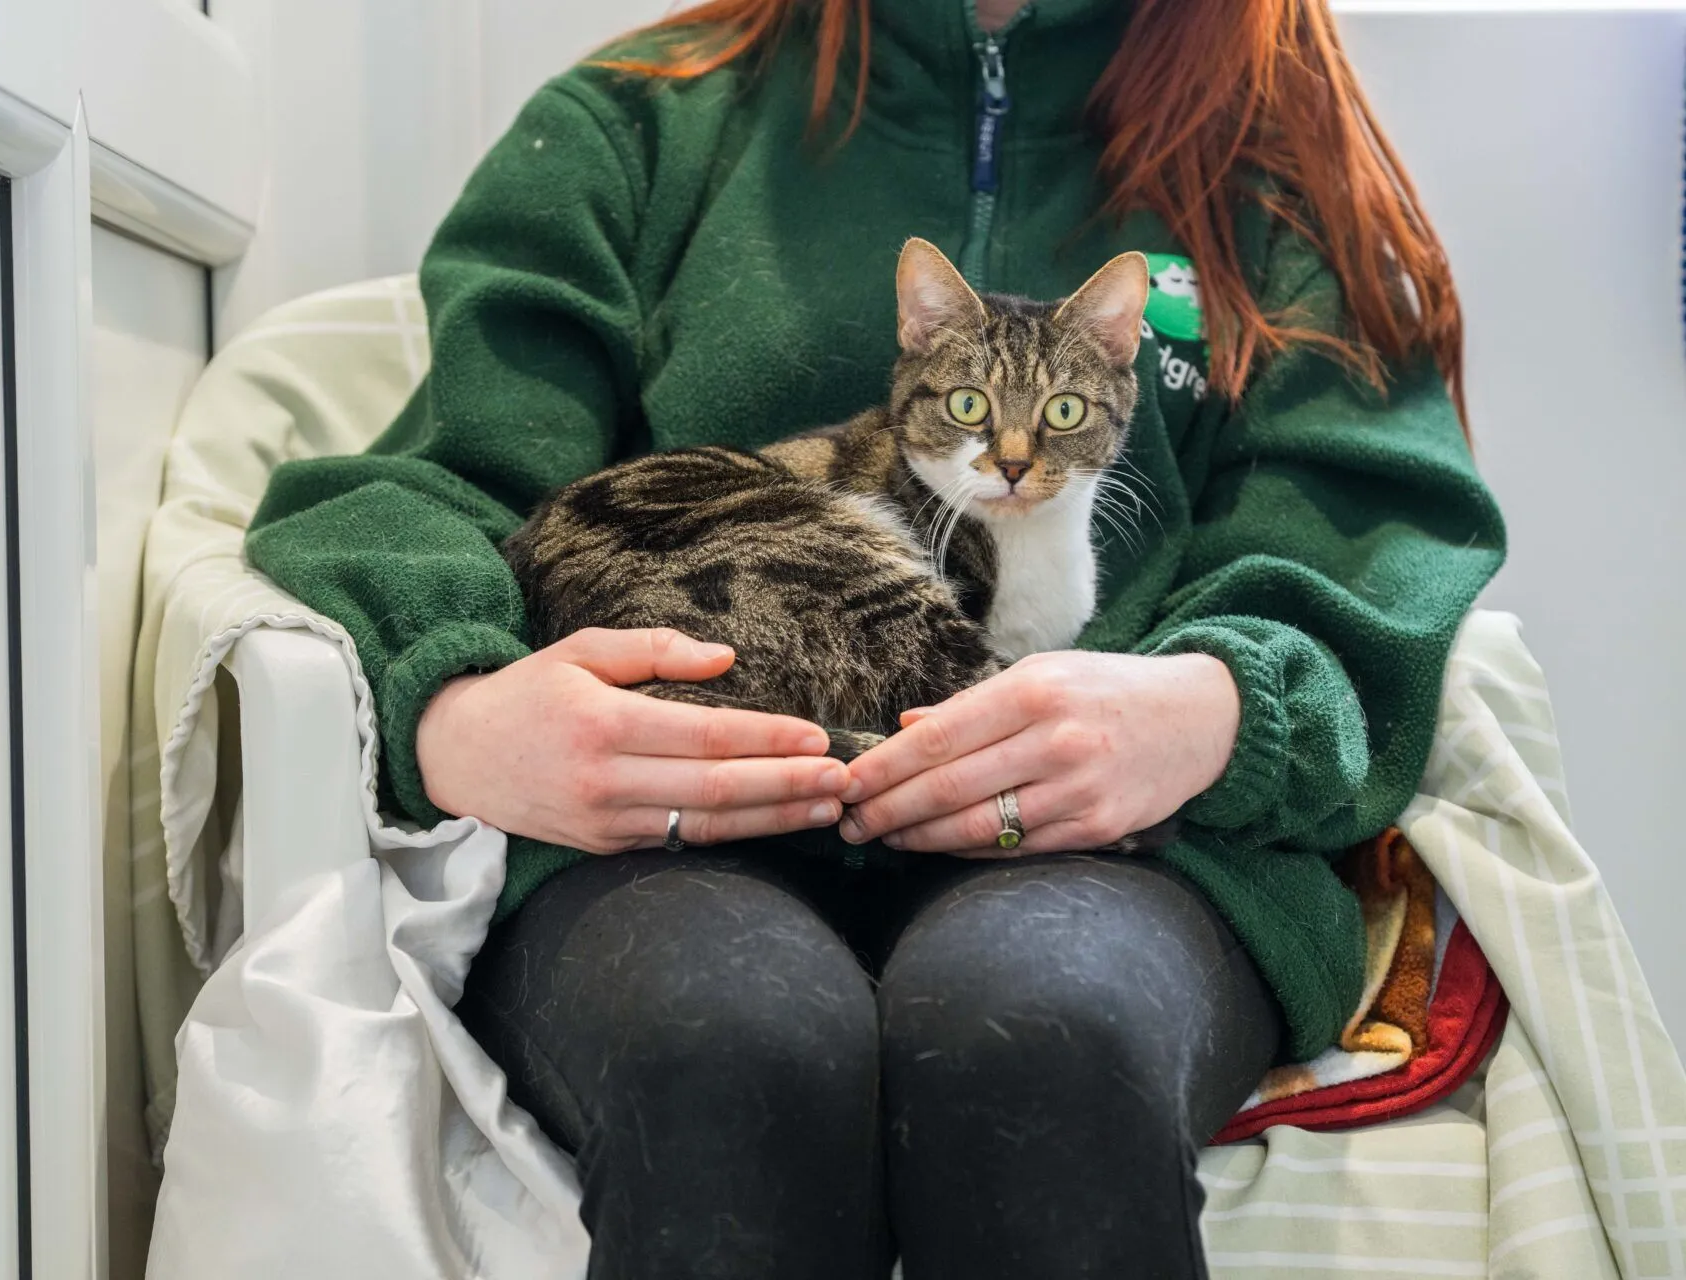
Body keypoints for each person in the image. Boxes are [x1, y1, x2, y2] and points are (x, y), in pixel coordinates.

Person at [245, 0, 1506, 1273]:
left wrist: (1222, 705)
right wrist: (456, 705)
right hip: (671, 812)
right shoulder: (638, 117)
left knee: (1041, 1037)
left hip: (1124, 836)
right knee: (729, 1049)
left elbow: (1378, 550)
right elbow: (429, 486)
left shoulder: (1282, 175)